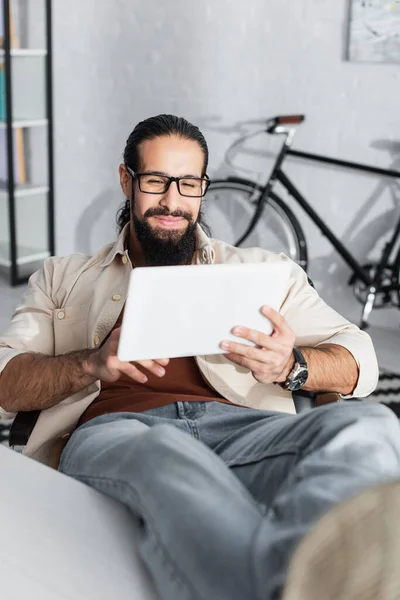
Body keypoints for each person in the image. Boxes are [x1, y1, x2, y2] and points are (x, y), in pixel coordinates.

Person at [0, 114, 399, 600]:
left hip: (243, 429)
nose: (172, 201)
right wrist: (90, 364)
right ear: (127, 180)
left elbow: (361, 360)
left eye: (188, 184)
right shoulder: (62, 277)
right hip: (119, 429)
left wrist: (292, 365)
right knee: (168, 453)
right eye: (156, 182)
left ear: (203, 189)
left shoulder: (263, 270)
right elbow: (6, 384)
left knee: (372, 427)